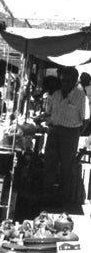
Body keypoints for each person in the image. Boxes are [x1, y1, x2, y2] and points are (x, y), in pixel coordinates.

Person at [38, 66, 88, 205]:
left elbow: (85, 119)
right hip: (54, 131)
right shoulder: (56, 94)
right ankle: (47, 195)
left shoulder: (80, 96)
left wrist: (76, 133)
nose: (64, 83)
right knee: (50, 163)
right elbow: (48, 113)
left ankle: (63, 197)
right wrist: (42, 119)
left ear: (73, 81)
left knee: (66, 166)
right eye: (63, 80)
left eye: (67, 80)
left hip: (71, 134)